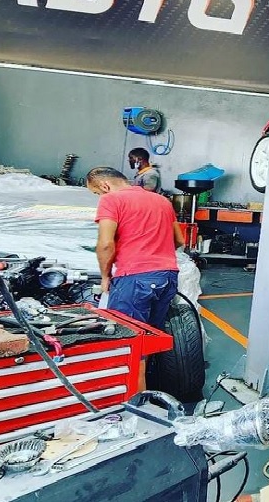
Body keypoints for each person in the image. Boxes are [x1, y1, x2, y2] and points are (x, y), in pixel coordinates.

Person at [87, 166, 184, 389]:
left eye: (97, 193)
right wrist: (154, 250)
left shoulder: (111, 200)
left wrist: (105, 277)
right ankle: (143, 392)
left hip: (134, 278)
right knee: (146, 341)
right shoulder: (161, 201)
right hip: (167, 276)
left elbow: (105, 244)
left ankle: (133, 403)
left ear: (105, 185)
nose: (99, 197)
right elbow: (179, 240)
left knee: (128, 345)